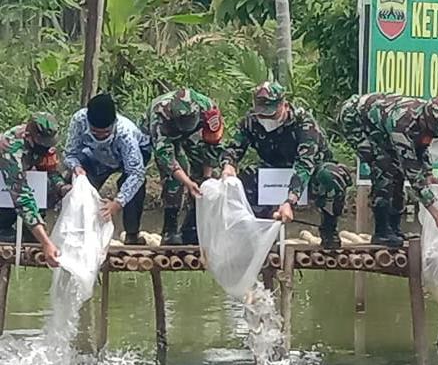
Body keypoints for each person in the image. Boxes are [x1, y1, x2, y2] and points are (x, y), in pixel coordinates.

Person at [221, 82, 351, 248]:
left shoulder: (304, 124)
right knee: (245, 177)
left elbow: (305, 164)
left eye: (272, 114)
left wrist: (289, 201)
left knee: (331, 175)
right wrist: (228, 165)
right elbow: (233, 148)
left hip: (310, 176)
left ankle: (329, 228)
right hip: (273, 172)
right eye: (262, 115)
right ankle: (258, 229)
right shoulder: (250, 122)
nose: (267, 119)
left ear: (284, 105)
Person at [338, 92, 438, 248]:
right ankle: (381, 231)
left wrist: (428, 173)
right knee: (384, 167)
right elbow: (412, 173)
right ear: (426, 120)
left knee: (397, 172)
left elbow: (421, 146)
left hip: (379, 123)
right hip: (354, 120)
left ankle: (394, 228)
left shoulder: (424, 120)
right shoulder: (402, 124)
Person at [64, 93, 152, 245]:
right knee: (79, 184)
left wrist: (117, 203)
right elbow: (70, 153)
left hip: (131, 155)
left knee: (133, 186)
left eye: (105, 132)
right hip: (95, 155)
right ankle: (79, 231)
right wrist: (76, 167)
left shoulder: (126, 133)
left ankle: (132, 234)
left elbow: (136, 174)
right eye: (95, 132)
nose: (100, 136)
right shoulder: (79, 120)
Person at [144, 88, 223, 245]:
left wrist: (205, 178)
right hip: (166, 134)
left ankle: (192, 229)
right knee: (174, 179)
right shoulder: (159, 113)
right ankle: (170, 230)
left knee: (203, 180)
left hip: (193, 134)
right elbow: (166, 157)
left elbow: (212, 144)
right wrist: (187, 182)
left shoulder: (208, 109)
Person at [0, 113, 68, 267]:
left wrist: (61, 187)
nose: (47, 147)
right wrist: (45, 243)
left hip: (19, 187)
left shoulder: (46, 147)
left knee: (49, 188)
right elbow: (22, 197)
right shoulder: (12, 149)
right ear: (28, 136)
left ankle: (30, 232)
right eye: (42, 143)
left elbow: (51, 171)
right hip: (6, 191)